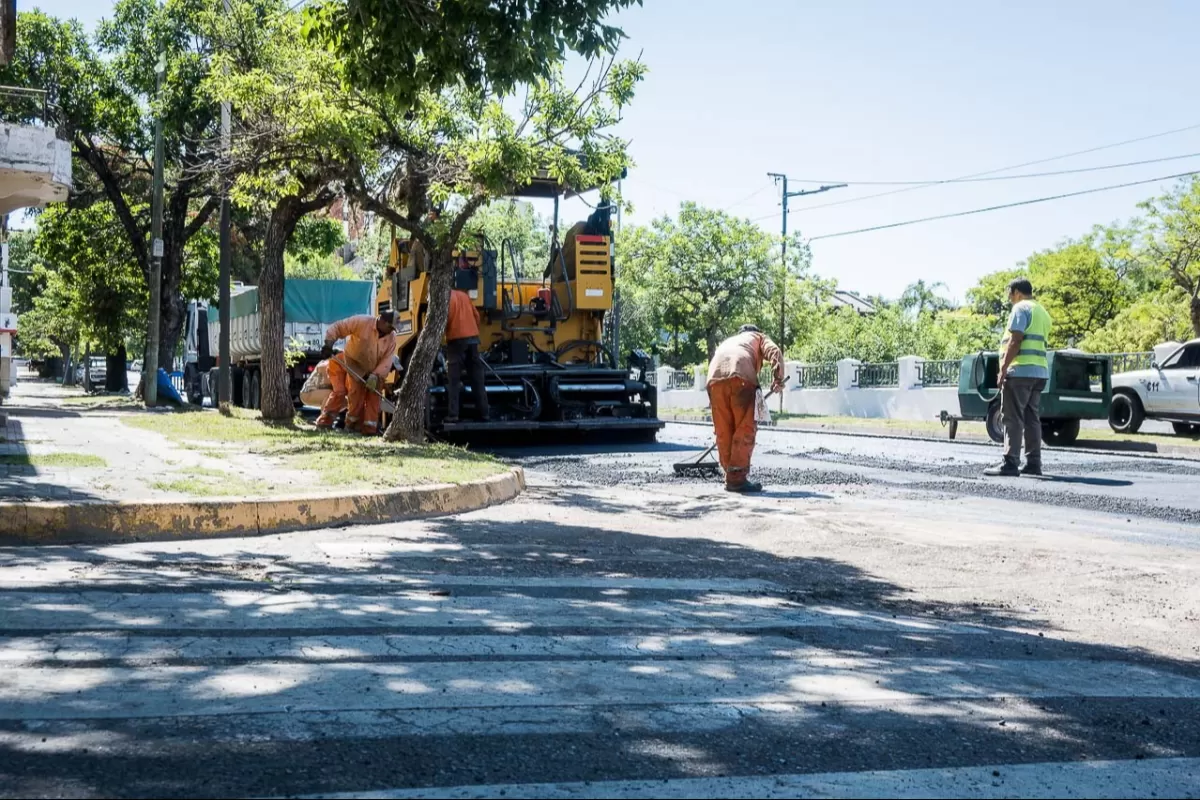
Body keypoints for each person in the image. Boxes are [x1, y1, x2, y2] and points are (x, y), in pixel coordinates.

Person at [985, 278, 1053, 477]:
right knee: (1032, 419)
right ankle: (1033, 463)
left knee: (1012, 418)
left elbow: (1015, 341)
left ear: (1017, 292)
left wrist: (1003, 368)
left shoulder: (1020, 309)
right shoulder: (1043, 312)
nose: (1009, 297)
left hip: (1020, 373)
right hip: (1039, 373)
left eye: (1010, 293)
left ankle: (1010, 463)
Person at [706, 324, 785, 493]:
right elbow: (775, 351)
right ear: (755, 331)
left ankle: (730, 474)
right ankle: (737, 478)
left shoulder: (731, 340)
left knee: (724, 429)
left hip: (714, 378)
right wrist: (778, 378)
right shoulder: (759, 337)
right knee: (745, 427)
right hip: (741, 376)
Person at [316, 311, 397, 435]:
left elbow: (387, 358)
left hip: (376, 369)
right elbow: (339, 327)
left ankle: (369, 430)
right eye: (390, 327)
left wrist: (375, 375)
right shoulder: (361, 322)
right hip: (355, 364)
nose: (392, 330)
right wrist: (329, 343)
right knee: (355, 395)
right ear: (382, 321)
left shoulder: (391, 337)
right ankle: (351, 426)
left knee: (374, 397)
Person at [444, 287, 490, 423]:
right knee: (477, 378)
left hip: (456, 340)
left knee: (453, 379)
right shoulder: (464, 295)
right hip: (473, 339)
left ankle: (453, 415)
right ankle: (484, 413)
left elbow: (445, 319)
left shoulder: (445, 299)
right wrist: (473, 332)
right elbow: (476, 316)